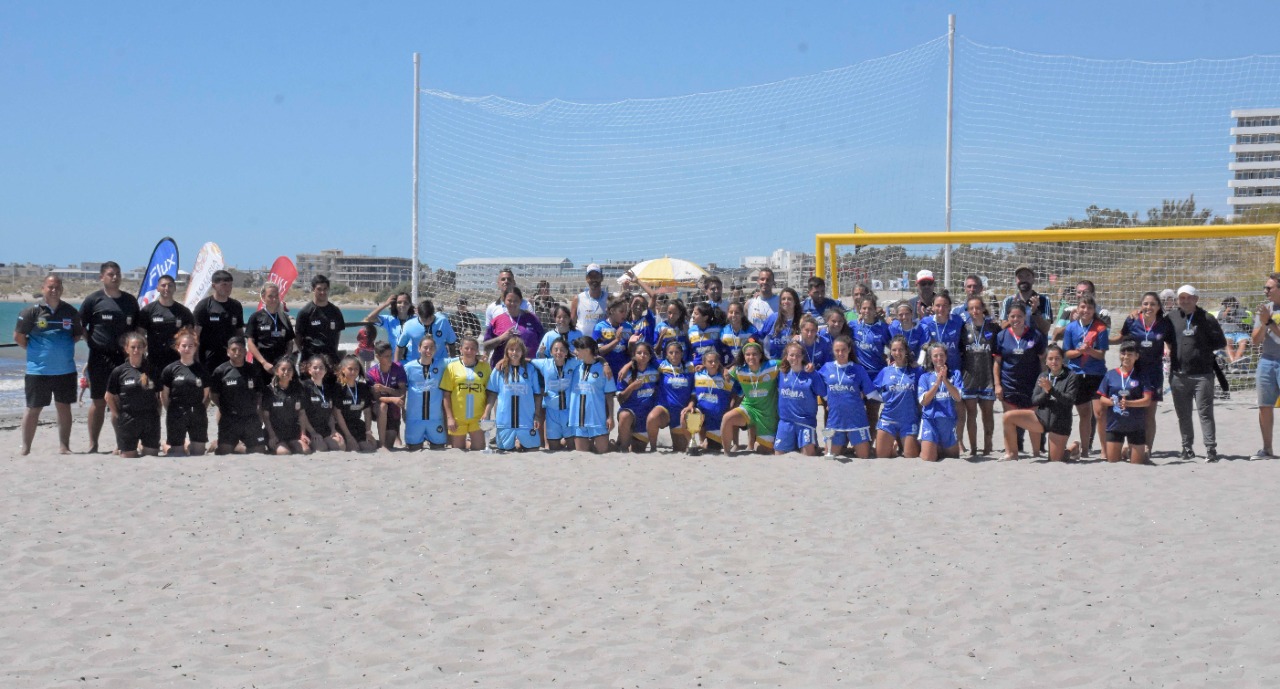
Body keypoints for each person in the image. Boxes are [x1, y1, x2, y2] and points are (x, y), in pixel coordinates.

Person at [14, 274, 83, 455]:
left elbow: (77, 335)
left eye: (57, 287)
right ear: (43, 288)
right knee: (33, 408)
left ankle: (64, 446)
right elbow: (19, 337)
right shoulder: (31, 312)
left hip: (65, 370)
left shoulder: (71, 312)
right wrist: (38, 352)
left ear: (62, 289)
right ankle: (26, 448)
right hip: (38, 371)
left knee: (64, 407)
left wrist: (60, 349)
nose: (54, 290)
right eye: (50, 287)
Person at [80, 261, 141, 453]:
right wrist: (90, 341)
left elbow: (137, 329)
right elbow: (80, 325)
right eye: (110, 274)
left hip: (123, 360)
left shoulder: (130, 301)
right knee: (98, 401)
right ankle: (93, 444)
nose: (115, 277)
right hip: (99, 358)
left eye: (117, 273)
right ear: (101, 277)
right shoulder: (93, 300)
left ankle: (121, 444)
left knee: (121, 402)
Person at [1166, 285, 1227, 462]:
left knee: (1205, 412)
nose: (1185, 301)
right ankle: (1187, 447)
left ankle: (1210, 449)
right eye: (1181, 298)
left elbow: (1219, 342)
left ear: (1196, 299)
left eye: (1188, 297)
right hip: (1178, 374)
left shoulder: (1207, 318)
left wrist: (1200, 349)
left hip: (1203, 375)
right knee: (1183, 414)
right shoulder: (1171, 317)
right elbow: (1166, 339)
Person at [1000, 344, 1081, 462]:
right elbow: (1034, 400)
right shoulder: (1043, 376)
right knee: (1008, 417)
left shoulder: (1071, 376)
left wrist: (1051, 390)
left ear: (1063, 359)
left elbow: (1069, 400)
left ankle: (1073, 448)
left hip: (1060, 421)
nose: (1054, 362)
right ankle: (1012, 454)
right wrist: (1046, 393)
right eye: (1050, 359)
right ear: (1046, 361)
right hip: (1041, 418)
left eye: (1057, 358)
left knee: (1055, 460)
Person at [1116, 291, 1173, 452]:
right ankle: (1131, 445)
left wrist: (1169, 350)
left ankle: (1147, 448)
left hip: (1154, 373)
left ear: (1158, 307)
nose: (1149, 307)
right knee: (1131, 409)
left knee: (1149, 413)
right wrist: (1100, 340)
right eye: (1145, 304)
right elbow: (1120, 338)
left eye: (1153, 304)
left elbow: (1171, 343)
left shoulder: (1164, 323)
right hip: (1134, 371)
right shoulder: (1132, 320)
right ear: (1141, 306)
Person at [994, 303, 1047, 454]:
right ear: (1008, 318)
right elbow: (997, 363)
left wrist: (1043, 382)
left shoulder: (1035, 335)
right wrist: (997, 385)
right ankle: (1012, 452)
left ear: (1025, 317)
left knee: (1033, 420)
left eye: (1019, 316)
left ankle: (1036, 452)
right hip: (1009, 384)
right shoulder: (1001, 336)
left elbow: (1043, 361)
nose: (1016, 319)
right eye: (1012, 316)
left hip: (1031, 385)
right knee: (1009, 419)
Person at [1062, 296, 1109, 456]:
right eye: (1083, 307)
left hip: (1096, 375)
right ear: (1077, 308)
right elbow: (1067, 352)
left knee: (1100, 413)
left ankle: (1104, 449)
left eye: (1089, 308)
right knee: (1084, 414)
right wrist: (1079, 352)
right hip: (1076, 374)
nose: (1086, 311)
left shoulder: (1100, 328)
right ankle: (1085, 450)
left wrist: (1090, 351)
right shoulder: (1071, 328)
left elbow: (1101, 354)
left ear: (1093, 310)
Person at [817, 335, 877, 458]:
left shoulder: (858, 369)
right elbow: (816, 385)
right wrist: (827, 399)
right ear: (833, 351)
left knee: (864, 456)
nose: (840, 353)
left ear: (849, 349)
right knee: (831, 456)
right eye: (837, 350)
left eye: (843, 350)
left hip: (856, 420)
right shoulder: (826, 368)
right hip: (835, 420)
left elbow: (871, 393)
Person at [1097, 340, 1154, 464]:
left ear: (1136, 356)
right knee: (1112, 462)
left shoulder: (1142, 375)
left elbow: (1147, 401)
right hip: (1115, 425)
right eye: (1123, 353)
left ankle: (1137, 451)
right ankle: (1124, 450)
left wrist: (1128, 403)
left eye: (1130, 354)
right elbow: (1101, 399)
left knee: (1137, 464)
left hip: (1136, 425)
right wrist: (1112, 402)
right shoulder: (1110, 375)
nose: (1126, 357)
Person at [105, 332, 160, 457]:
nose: (136, 350)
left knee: (151, 456)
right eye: (133, 347)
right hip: (128, 419)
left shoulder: (152, 370)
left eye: (139, 347)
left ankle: (147, 444)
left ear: (144, 348)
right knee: (128, 457)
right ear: (126, 349)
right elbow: (109, 396)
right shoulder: (119, 371)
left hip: (150, 419)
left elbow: (159, 396)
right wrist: (118, 415)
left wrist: (157, 414)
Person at [484, 337, 544, 452]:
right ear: (507, 351)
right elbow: (492, 393)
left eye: (518, 350)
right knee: (505, 450)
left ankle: (519, 442)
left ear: (523, 352)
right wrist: (487, 412)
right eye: (511, 349)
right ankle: (515, 442)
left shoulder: (530, 369)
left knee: (533, 449)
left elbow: (537, 395)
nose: (514, 352)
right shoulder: (499, 369)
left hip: (526, 420)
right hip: (505, 419)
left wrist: (536, 415)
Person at [209, 336, 267, 455]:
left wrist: (258, 412)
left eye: (241, 349)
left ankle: (238, 446)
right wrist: (225, 407)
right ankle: (218, 443)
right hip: (230, 419)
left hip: (250, 418)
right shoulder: (220, 371)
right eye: (234, 350)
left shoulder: (254, 370)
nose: (237, 352)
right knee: (223, 451)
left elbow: (259, 394)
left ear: (246, 351)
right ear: (228, 352)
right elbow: (214, 395)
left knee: (260, 451)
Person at [721, 341, 779, 454]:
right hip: (749, 408)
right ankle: (727, 453)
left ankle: (755, 443)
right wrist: (723, 370)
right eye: (747, 354)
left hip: (767, 415)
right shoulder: (739, 370)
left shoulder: (772, 366)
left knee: (764, 450)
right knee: (727, 418)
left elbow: (790, 362)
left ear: (761, 355)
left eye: (754, 354)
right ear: (744, 356)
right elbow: (722, 373)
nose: (751, 357)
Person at [959, 295, 1000, 456]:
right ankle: (974, 448)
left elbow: (998, 355)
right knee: (971, 415)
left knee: (987, 414)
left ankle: (988, 446)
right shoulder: (964, 329)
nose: (975, 311)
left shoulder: (993, 328)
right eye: (971, 308)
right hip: (969, 378)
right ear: (968, 311)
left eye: (977, 308)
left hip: (987, 378)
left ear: (983, 308)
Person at [159, 328, 210, 457]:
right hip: (176, 412)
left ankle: (187, 444)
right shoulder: (170, 369)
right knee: (177, 453)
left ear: (195, 348)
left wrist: (199, 409)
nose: (187, 349)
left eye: (190, 346)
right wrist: (171, 410)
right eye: (184, 346)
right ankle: (164, 445)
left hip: (197, 413)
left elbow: (206, 394)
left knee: (198, 453)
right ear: (178, 347)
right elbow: (164, 394)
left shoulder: (202, 369)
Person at [774, 342, 828, 456]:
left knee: (808, 454)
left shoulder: (811, 374)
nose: (795, 358)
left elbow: (823, 393)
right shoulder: (781, 373)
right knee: (778, 454)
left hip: (805, 422)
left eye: (798, 355)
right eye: (792, 355)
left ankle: (813, 444)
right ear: (786, 356)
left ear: (803, 357)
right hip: (786, 422)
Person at [439, 337, 492, 450]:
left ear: (477, 351)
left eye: (473, 349)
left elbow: (490, 393)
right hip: (458, 417)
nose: (469, 351)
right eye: (466, 348)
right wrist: (450, 418)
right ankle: (465, 440)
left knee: (478, 448)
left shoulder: (485, 367)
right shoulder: (451, 367)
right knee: (458, 449)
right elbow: (446, 395)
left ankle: (471, 439)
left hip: (478, 416)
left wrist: (487, 412)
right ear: (460, 349)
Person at [873, 337, 922, 458]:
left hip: (909, 420)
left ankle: (898, 444)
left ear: (906, 351)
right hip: (888, 419)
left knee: (911, 456)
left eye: (900, 350)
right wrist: (884, 398)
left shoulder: (916, 370)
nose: (897, 353)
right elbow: (873, 390)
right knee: (882, 457)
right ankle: (894, 446)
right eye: (894, 350)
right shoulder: (885, 371)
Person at [139, 274, 195, 380]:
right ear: (157, 288)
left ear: (174, 288)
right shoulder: (148, 311)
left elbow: (191, 336)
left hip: (177, 361)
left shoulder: (184, 312)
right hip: (154, 361)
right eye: (163, 285)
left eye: (170, 286)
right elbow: (139, 335)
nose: (166, 288)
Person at [567, 336, 615, 454]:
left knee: (603, 451)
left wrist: (610, 417)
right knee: (582, 453)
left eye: (577, 349)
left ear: (587, 350)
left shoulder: (604, 370)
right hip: (579, 419)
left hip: (597, 418)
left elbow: (609, 396)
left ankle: (614, 444)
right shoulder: (575, 366)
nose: (575, 352)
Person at [646, 340, 695, 452]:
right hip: (664, 409)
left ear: (682, 354)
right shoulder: (661, 365)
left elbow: (709, 360)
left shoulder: (690, 367)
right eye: (671, 352)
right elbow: (643, 354)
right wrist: (627, 366)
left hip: (681, 412)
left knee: (679, 449)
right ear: (666, 355)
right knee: (652, 418)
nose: (674, 355)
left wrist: (723, 369)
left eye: (677, 352)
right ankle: (653, 448)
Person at [917, 343, 964, 462]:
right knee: (929, 458)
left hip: (948, 421)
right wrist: (937, 383)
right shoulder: (925, 377)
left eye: (941, 355)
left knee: (952, 457)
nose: (939, 359)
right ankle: (926, 445)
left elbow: (958, 397)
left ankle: (935, 446)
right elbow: (924, 401)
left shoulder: (955, 374)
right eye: (935, 356)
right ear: (931, 359)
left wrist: (945, 380)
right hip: (930, 420)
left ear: (946, 357)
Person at [531, 337, 577, 451]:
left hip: (569, 411)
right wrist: (504, 360)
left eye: (562, 350)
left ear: (567, 352)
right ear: (551, 352)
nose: (558, 352)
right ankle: (560, 440)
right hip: (552, 412)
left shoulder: (574, 363)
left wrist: (605, 364)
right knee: (554, 448)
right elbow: (526, 360)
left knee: (573, 446)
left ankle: (566, 439)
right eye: (555, 349)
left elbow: (592, 359)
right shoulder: (545, 363)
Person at [194, 270, 245, 372]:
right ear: (214, 286)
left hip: (231, 357)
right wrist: (195, 359)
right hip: (209, 357)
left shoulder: (236, 306)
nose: (228, 288)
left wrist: (242, 351)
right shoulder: (204, 306)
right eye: (224, 285)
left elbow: (239, 332)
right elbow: (195, 335)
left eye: (230, 285)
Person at [687, 350, 735, 454]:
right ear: (704, 363)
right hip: (702, 415)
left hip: (717, 419)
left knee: (713, 449)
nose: (713, 363)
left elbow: (736, 394)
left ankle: (708, 442)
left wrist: (730, 409)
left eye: (715, 361)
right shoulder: (697, 375)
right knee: (688, 415)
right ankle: (693, 443)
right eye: (710, 361)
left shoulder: (726, 377)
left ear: (719, 362)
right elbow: (693, 395)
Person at [403, 336, 447, 450]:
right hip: (414, 418)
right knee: (414, 448)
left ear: (435, 349)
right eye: (425, 347)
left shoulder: (442, 364)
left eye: (432, 347)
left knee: (438, 448)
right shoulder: (409, 367)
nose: (428, 350)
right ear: (419, 349)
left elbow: (463, 359)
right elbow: (402, 390)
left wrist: (479, 357)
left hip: (435, 418)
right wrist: (402, 410)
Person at [261, 357, 311, 455]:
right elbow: (265, 417)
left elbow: (301, 414)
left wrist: (303, 434)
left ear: (293, 373)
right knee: (284, 453)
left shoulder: (298, 390)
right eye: (283, 369)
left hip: (292, 432)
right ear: (276, 371)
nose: (286, 372)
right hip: (275, 433)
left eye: (289, 369)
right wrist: (272, 436)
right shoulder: (269, 391)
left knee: (306, 450)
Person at [245, 282, 295, 382]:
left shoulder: (284, 317)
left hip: (281, 365)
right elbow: (250, 343)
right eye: (270, 296)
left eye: (276, 296)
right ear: (263, 297)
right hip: (262, 364)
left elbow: (290, 341)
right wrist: (264, 363)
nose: (274, 299)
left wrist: (287, 358)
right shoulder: (256, 317)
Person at [483, 286, 544, 367]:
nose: (512, 303)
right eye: (509, 300)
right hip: (503, 367)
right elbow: (486, 346)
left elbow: (543, 342)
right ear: (504, 301)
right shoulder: (497, 320)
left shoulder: (533, 319)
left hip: (529, 368)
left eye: (516, 301)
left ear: (521, 301)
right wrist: (501, 338)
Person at [1253, 273, 1280, 459]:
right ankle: (1267, 449)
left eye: (1269, 288)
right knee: (1264, 405)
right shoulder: (1266, 309)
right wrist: (1263, 323)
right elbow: (1255, 341)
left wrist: (1270, 322)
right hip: (1267, 360)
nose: (1265, 291)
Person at [615, 341, 659, 453]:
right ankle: (622, 444)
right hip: (631, 411)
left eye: (646, 353)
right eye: (639, 353)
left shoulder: (656, 369)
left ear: (650, 356)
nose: (643, 355)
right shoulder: (625, 373)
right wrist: (631, 387)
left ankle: (623, 438)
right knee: (624, 416)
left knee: (637, 450)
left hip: (646, 415)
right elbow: (620, 399)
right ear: (634, 355)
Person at [295, 275, 346, 363]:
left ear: (328, 289)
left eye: (325, 289)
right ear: (313, 289)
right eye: (319, 289)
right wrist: (304, 352)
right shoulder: (305, 312)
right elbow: (297, 336)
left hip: (331, 359)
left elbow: (338, 333)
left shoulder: (335, 311)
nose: (322, 292)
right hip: (311, 359)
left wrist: (334, 351)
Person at [300, 355, 346, 452]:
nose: (318, 370)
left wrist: (333, 429)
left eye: (321, 368)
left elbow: (330, 413)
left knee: (340, 445)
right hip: (310, 429)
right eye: (315, 368)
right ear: (309, 370)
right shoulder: (304, 387)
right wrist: (312, 432)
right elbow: (302, 414)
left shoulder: (329, 388)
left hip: (325, 428)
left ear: (325, 370)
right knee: (322, 448)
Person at [333, 354, 378, 453]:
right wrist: (348, 436)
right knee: (354, 448)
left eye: (356, 369)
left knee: (370, 448)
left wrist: (368, 432)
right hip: (342, 426)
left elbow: (367, 412)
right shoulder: (338, 388)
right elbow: (337, 413)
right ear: (343, 369)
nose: (353, 372)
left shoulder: (363, 387)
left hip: (357, 424)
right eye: (350, 369)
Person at [368, 342, 407, 451]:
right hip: (377, 408)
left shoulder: (398, 368)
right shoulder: (371, 373)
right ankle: (381, 443)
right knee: (383, 406)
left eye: (391, 355)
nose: (390, 359)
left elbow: (402, 393)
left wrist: (385, 389)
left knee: (390, 442)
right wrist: (392, 398)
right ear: (377, 357)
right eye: (386, 356)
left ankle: (384, 441)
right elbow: (376, 398)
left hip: (394, 406)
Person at [398, 299, 458, 370]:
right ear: (418, 314)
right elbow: (400, 346)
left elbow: (451, 344)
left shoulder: (443, 322)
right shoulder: (409, 325)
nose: (427, 321)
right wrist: (396, 365)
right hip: (417, 365)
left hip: (440, 364)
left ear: (433, 313)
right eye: (424, 319)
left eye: (429, 318)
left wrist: (454, 365)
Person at [998, 265, 1052, 336]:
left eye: (1027, 276)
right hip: (1015, 345)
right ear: (1016, 280)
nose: (1024, 280)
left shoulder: (1044, 300)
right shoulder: (1008, 301)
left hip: (1037, 345)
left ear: (1033, 280)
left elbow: (1045, 329)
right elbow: (1003, 327)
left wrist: (1035, 312)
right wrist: (1017, 314)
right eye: (1020, 276)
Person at [364, 291, 415, 361]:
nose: (402, 305)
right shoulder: (389, 320)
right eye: (399, 302)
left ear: (410, 305)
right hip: (395, 361)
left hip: (412, 361)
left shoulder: (416, 321)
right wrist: (386, 304)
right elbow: (370, 318)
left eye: (405, 303)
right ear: (395, 304)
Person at [593, 297, 634, 377]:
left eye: (626, 311)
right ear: (612, 311)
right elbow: (598, 351)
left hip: (624, 372)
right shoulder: (600, 327)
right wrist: (617, 340)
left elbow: (631, 353)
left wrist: (632, 344)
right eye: (621, 311)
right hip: (606, 372)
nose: (624, 314)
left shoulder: (628, 327)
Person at [760, 288, 802, 359]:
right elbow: (759, 336)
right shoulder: (773, 318)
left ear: (795, 302)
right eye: (783, 299)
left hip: (794, 363)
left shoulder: (802, 319)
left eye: (789, 299)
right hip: (775, 364)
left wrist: (801, 337)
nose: (786, 301)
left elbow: (811, 337)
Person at [570, 264, 608, 337]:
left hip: (603, 342)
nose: (594, 279)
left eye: (596, 276)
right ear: (587, 279)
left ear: (602, 278)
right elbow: (572, 323)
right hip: (583, 344)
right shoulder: (578, 299)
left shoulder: (608, 298)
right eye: (591, 277)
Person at [1215, 296, 1253, 363]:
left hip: (1240, 332)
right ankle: (1234, 362)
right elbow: (1220, 319)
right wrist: (1227, 311)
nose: (1230, 306)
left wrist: (1235, 313)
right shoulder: (1222, 312)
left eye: (1232, 304)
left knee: (1243, 343)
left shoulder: (1241, 310)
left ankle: (1235, 361)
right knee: (1227, 343)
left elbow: (1245, 316)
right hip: (1227, 332)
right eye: (1227, 304)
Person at [687, 302, 725, 368]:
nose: (693, 316)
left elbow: (723, 349)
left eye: (696, 314)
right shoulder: (691, 331)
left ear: (705, 318)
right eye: (693, 313)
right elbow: (691, 349)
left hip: (714, 367)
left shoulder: (717, 330)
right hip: (697, 368)